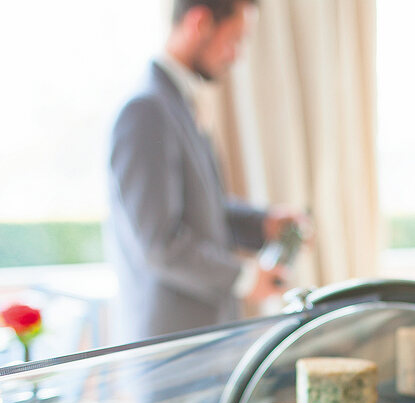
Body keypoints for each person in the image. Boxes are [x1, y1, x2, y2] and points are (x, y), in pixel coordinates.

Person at [107, 0, 304, 343]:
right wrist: (244, 277)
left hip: (198, 336)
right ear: (199, 22)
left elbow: (201, 208)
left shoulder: (174, 103)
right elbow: (160, 243)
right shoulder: (146, 111)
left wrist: (263, 223)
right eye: (235, 39)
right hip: (170, 346)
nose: (237, 55)